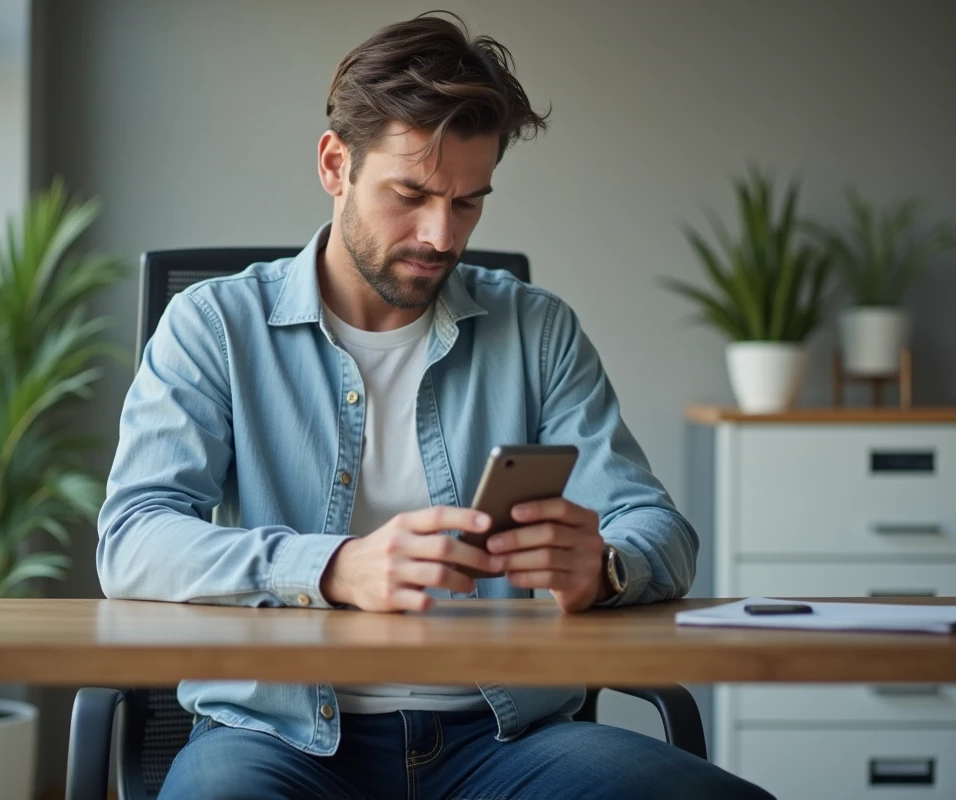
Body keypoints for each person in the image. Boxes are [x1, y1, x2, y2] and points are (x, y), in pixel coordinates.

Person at [98, 11, 772, 800]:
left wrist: (608, 568)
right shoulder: (214, 325)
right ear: (334, 164)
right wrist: (335, 566)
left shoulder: (537, 330)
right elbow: (133, 538)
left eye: (468, 203)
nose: (440, 235)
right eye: (410, 194)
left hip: (505, 741)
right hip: (275, 741)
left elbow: (660, 530)